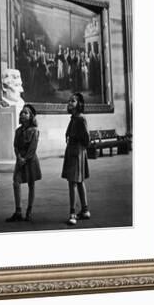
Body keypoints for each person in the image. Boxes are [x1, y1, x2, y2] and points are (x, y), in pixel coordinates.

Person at [5, 104, 42, 223]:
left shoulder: (34, 131)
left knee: (31, 184)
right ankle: (18, 211)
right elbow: (15, 145)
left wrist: (24, 159)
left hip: (30, 161)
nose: (22, 114)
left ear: (31, 116)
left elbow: (33, 148)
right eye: (21, 113)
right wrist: (18, 157)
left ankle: (29, 211)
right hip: (20, 160)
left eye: (25, 113)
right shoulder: (18, 131)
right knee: (16, 182)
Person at [61, 92, 91, 225]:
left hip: (76, 152)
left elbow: (87, 139)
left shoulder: (80, 118)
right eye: (69, 101)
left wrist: (78, 146)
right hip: (73, 150)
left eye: (73, 101)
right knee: (78, 182)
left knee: (73, 183)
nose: (70, 103)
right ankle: (85, 210)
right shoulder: (73, 118)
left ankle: (72, 213)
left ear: (79, 104)